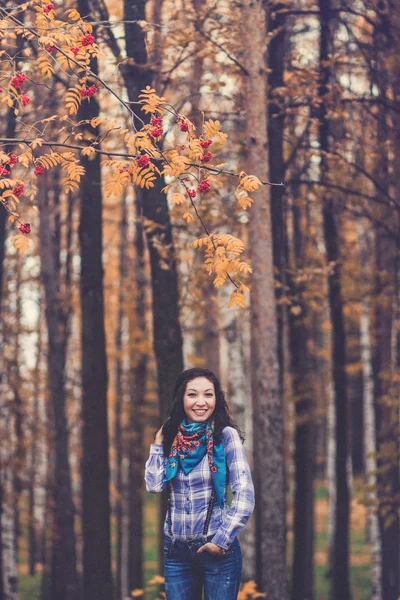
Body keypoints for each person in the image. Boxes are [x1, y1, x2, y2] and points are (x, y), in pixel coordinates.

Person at [144, 367, 255, 600]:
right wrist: (157, 444)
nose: (201, 402)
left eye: (208, 394)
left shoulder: (225, 436)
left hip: (217, 550)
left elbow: (245, 496)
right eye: (192, 394)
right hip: (177, 554)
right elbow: (154, 486)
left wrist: (221, 541)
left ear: (217, 399)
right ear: (181, 398)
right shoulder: (172, 438)